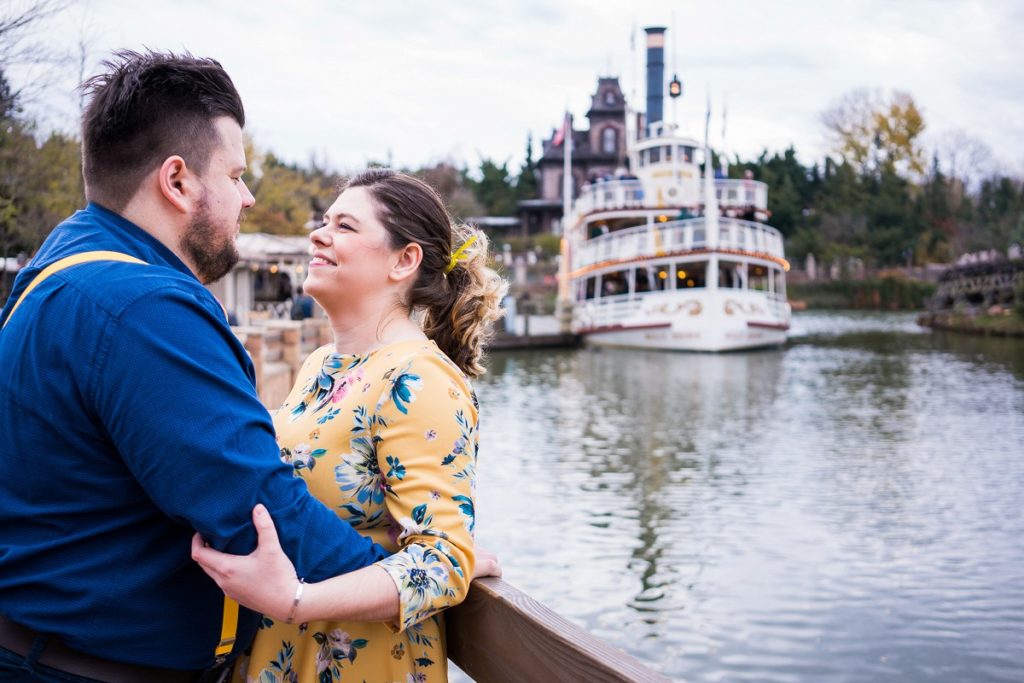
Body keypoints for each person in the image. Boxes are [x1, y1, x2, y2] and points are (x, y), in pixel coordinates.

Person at [0, 51, 408, 682]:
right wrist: (417, 576)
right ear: (178, 181)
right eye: (237, 175)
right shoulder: (143, 308)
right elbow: (260, 512)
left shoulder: (59, 268)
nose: (248, 198)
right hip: (90, 669)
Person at [192, 169, 507, 683]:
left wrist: (297, 600)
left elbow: (443, 560)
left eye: (344, 226)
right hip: (280, 649)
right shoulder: (320, 365)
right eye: (323, 222)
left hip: (357, 661)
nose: (318, 233)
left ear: (404, 260)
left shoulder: (418, 378)